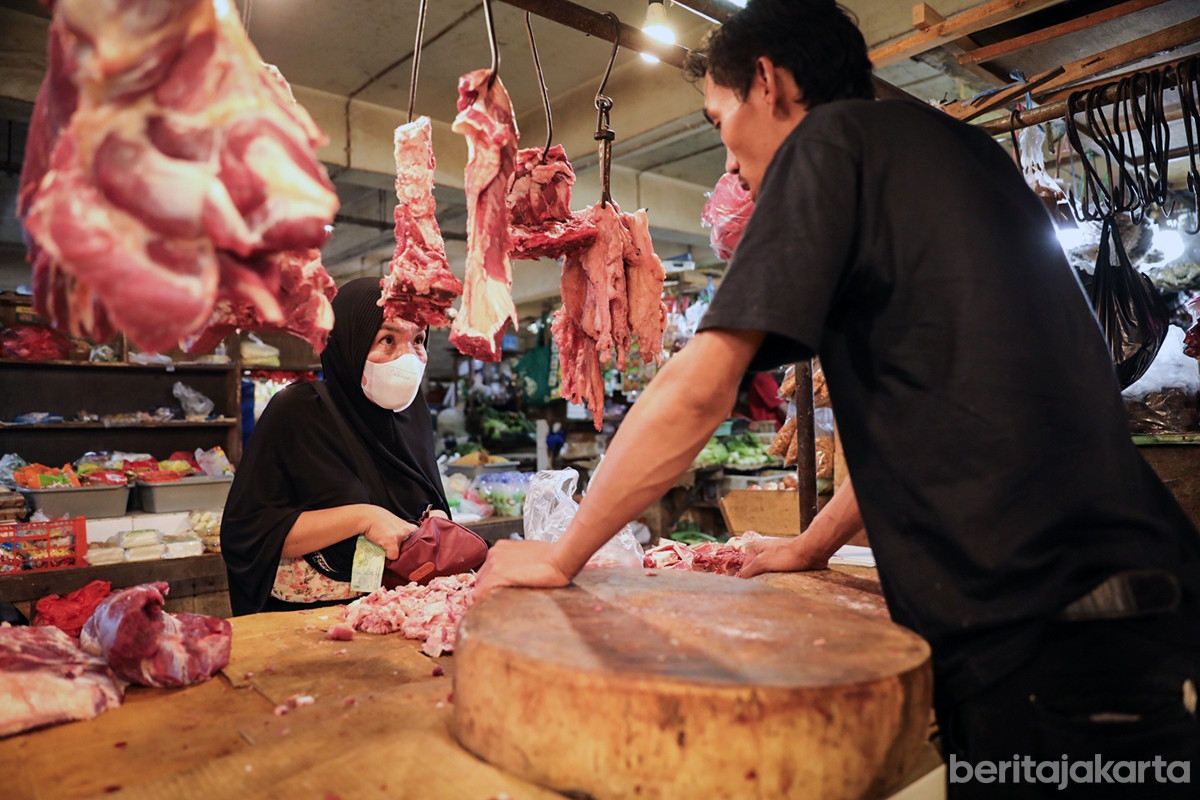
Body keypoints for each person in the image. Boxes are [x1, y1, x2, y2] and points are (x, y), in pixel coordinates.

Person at [475, 1, 1200, 796]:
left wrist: (560, 553)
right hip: (1130, 600)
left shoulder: (828, 142)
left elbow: (700, 386)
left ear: (769, 83)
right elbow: (937, 417)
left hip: (1044, 629)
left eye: (720, 120)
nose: (729, 161)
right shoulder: (962, 155)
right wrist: (811, 545)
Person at [222, 277, 450, 615]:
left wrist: (436, 523)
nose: (409, 358)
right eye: (387, 339)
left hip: (402, 614)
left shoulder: (412, 416)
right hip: (314, 627)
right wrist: (363, 517)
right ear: (349, 343)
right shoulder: (300, 411)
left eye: (418, 340)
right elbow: (248, 533)